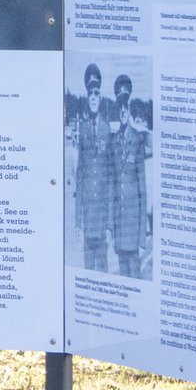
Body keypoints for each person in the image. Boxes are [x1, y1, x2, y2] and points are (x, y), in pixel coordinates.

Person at [72, 62, 112, 272]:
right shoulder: (83, 129)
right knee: (87, 274)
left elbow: (112, 182)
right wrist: (78, 222)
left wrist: (110, 225)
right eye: (90, 93)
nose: (94, 97)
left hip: (103, 219)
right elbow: (79, 178)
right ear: (87, 97)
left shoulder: (107, 129)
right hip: (88, 220)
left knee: (103, 274)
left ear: (100, 94)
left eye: (97, 92)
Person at [109, 75, 149, 277]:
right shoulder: (114, 142)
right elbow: (114, 189)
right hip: (120, 231)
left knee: (136, 283)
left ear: (130, 108)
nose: (123, 111)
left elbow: (143, 193)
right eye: (120, 107)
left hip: (134, 235)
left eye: (126, 106)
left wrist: (142, 240)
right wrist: (112, 229)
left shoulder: (138, 140)